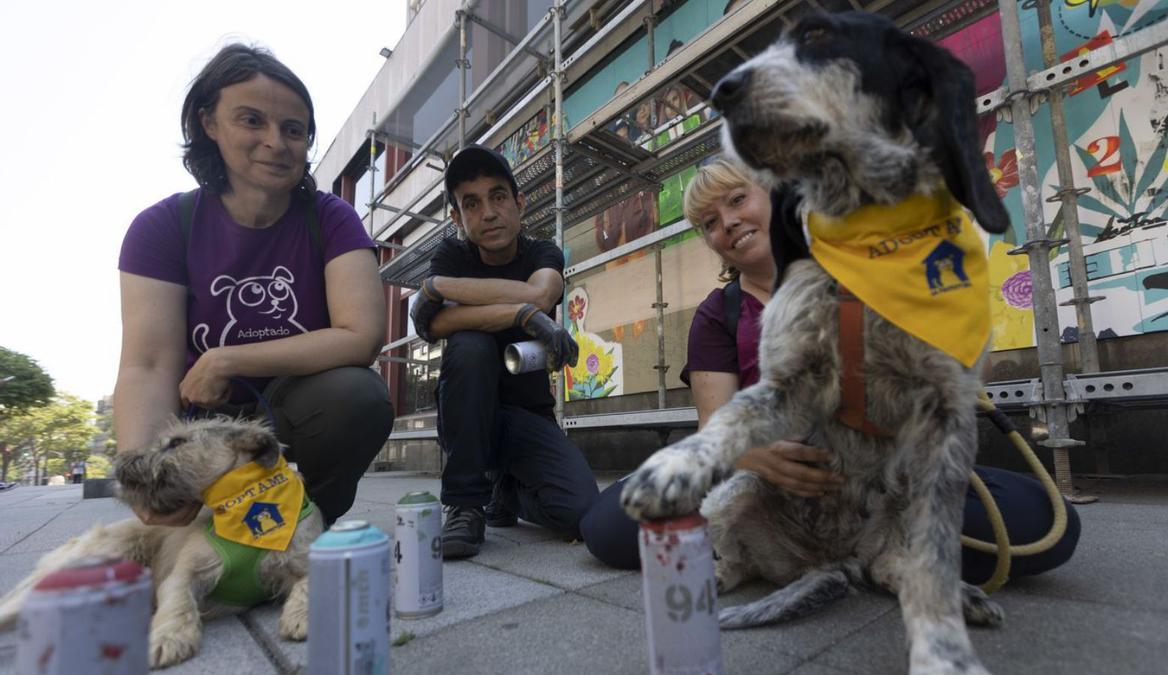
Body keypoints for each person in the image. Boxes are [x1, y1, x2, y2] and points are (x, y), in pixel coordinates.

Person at [579, 158, 1081, 584]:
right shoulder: (718, 313)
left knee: (1043, 525)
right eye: (709, 222)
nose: (726, 223)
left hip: (882, 473)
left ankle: (820, 554)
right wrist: (756, 456)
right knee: (608, 525)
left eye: (736, 200)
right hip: (768, 480)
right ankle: (815, 549)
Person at [115, 44, 394, 528]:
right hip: (202, 422)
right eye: (251, 121)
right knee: (173, 526)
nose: (276, 142)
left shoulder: (333, 219)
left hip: (297, 409)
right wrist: (148, 479)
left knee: (359, 397)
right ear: (209, 124)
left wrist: (227, 358)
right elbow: (147, 366)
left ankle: (308, 525)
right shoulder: (161, 228)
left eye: (293, 129)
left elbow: (361, 336)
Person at [410, 145, 600, 559]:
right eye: (471, 204)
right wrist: (520, 313)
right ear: (457, 219)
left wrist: (438, 289)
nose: (489, 213)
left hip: (528, 418)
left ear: (519, 202)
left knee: (582, 511)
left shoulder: (540, 252)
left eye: (498, 197)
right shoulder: (453, 254)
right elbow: (436, 325)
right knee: (472, 346)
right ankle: (464, 504)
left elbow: (542, 291)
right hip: (465, 417)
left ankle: (507, 492)